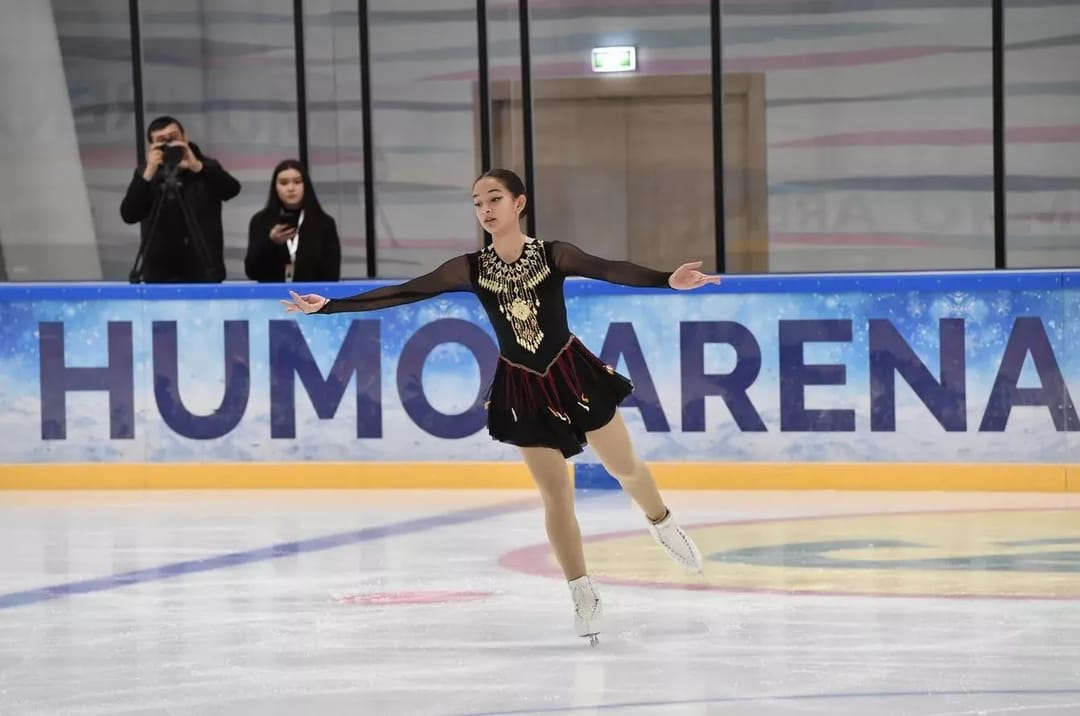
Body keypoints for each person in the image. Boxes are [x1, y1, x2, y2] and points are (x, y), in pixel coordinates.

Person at [282, 168, 720, 645]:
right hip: (522, 387)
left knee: (625, 467)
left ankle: (660, 521)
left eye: (494, 198)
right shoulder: (470, 268)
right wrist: (328, 306)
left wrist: (666, 281)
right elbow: (407, 291)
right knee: (556, 494)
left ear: (519, 203)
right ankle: (583, 591)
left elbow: (610, 269)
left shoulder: (554, 255)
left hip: (571, 373)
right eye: (477, 202)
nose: (485, 209)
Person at [120, 116, 241, 283]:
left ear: (185, 137)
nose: (169, 145)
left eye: (174, 138)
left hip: (204, 268)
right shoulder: (146, 174)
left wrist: (197, 167)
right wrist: (148, 173)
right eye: (161, 141)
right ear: (152, 147)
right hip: (160, 271)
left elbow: (231, 190)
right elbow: (129, 214)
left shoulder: (206, 166)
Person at [245, 159, 341, 283]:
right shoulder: (260, 221)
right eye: (284, 183)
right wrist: (270, 242)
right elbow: (252, 272)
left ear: (305, 185)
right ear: (275, 187)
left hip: (311, 297)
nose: (291, 188)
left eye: (297, 182)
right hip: (271, 297)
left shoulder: (324, 223)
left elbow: (332, 274)